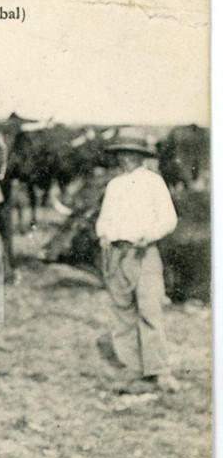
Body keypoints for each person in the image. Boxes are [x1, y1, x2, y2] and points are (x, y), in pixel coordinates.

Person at [95, 136, 179, 392]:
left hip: (143, 253)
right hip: (117, 254)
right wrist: (104, 234)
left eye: (131, 153)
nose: (126, 158)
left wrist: (149, 235)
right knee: (122, 314)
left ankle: (159, 371)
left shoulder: (154, 183)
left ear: (142, 156)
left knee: (150, 310)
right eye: (121, 153)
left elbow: (169, 219)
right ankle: (131, 369)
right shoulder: (114, 185)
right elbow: (104, 219)